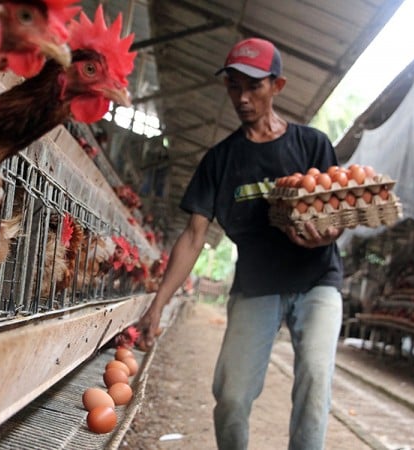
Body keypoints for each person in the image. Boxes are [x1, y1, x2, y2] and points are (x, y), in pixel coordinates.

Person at [136, 37, 344, 450]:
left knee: (315, 379)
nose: (243, 98)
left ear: (277, 86)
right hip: (256, 284)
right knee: (231, 398)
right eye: (234, 86)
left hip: (317, 278)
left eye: (254, 87)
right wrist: (158, 302)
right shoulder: (220, 160)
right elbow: (194, 235)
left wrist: (329, 232)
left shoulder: (312, 145)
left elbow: (338, 211)